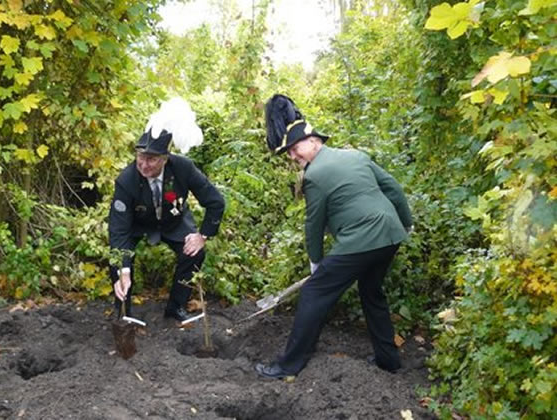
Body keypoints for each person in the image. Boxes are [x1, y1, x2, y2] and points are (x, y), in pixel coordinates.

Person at [255, 94, 413, 379]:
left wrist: (316, 262)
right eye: (289, 153)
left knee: (315, 293)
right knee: (371, 291)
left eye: (295, 149)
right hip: (391, 236)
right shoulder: (355, 155)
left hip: (361, 241)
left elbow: (313, 224)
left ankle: (288, 365)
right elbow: (394, 189)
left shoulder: (315, 174)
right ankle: (388, 360)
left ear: (315, 141)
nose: (293, 157)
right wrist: (406, 224)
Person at [108, 98, 225, 322]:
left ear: (165, 159)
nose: (143, 165)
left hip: (174, 220)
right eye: (140, 157)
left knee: (194, 252)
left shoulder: (183, 168)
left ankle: (176, 307)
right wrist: (123, 270)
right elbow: (118, 230)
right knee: (119, 260)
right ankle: (123, 312)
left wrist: (203, 235)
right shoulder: (126, 180)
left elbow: (215, 201)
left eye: (151, 159)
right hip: (137, 224)